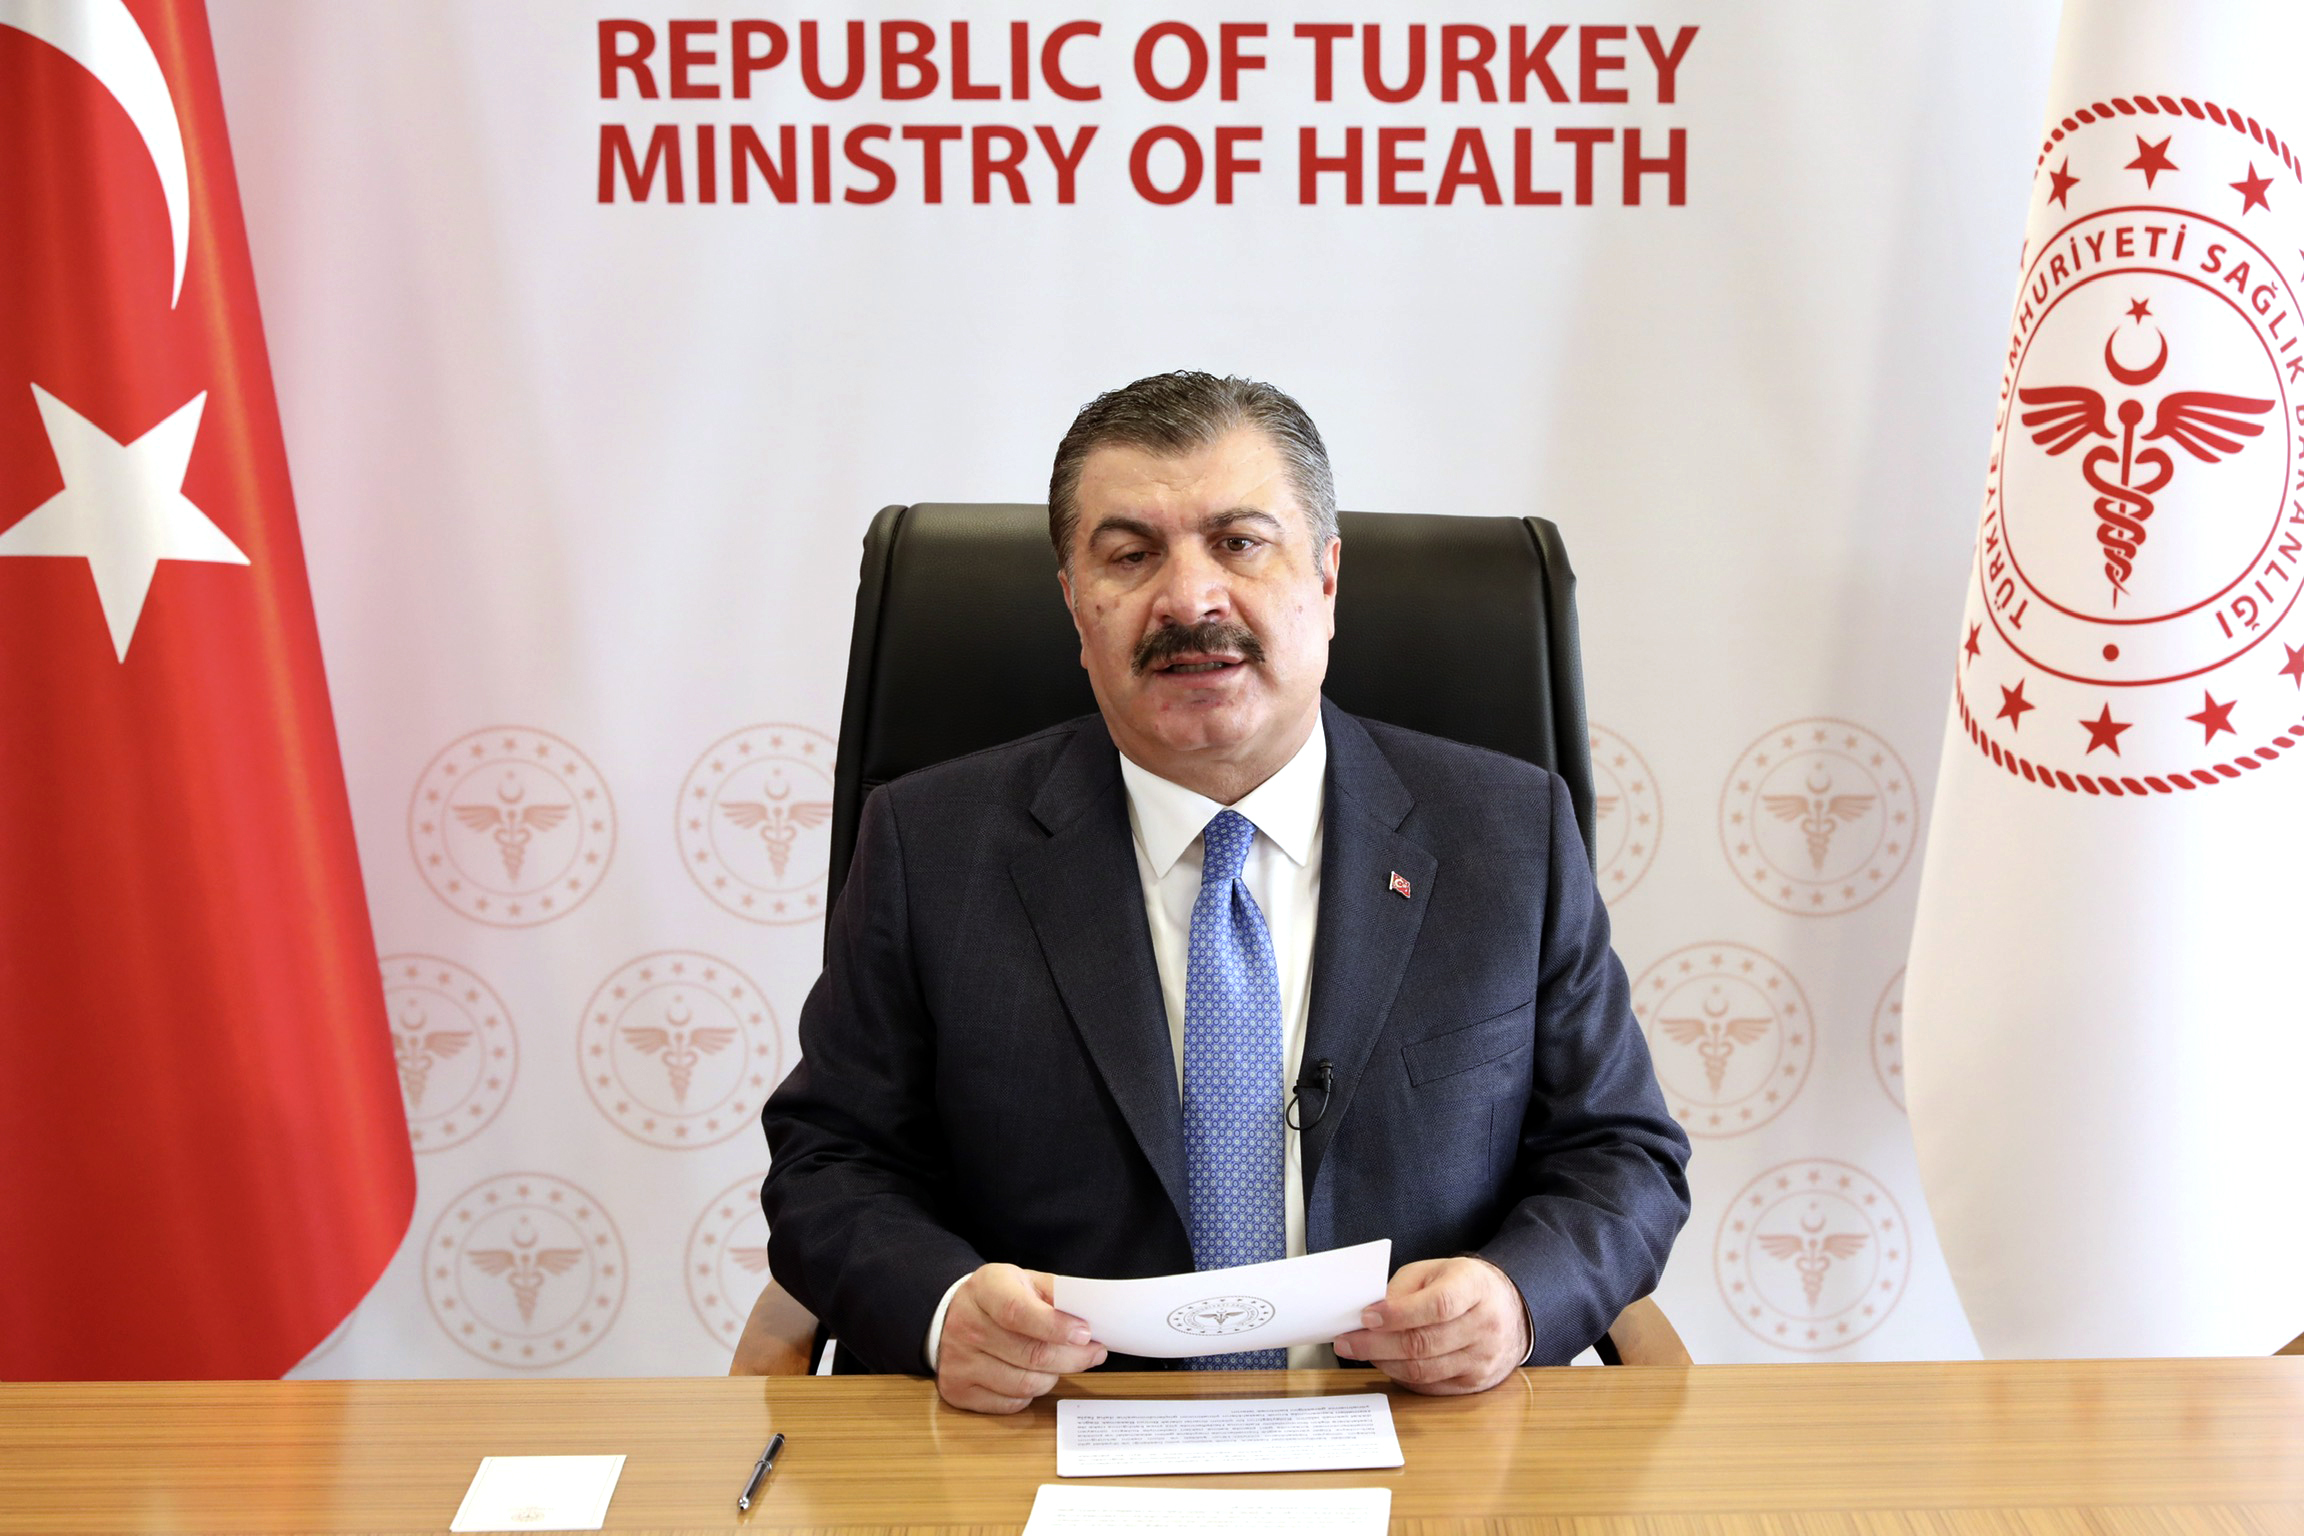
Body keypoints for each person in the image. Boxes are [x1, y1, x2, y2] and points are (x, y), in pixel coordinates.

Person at [762, 371, 1690, 1413]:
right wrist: (943, 1310)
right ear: (1074, 604)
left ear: (1326, 578)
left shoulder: (1507, 836)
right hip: (1050, 1435)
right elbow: (831, 1164)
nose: (1190, 600)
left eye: (1241, 543)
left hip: (1418, 1432)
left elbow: (1621, 1154)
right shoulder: (930, 846)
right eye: (1130, 556)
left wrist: (1518, 1298)